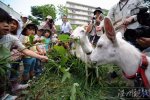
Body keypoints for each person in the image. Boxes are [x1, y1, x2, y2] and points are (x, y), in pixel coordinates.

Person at [0, 8, 48, 100]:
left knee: (4, 79)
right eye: (1, 21)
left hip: (6, 66)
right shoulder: (22, 37)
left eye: (7, 22)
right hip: (10, 62)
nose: (6, 25)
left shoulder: (11, 38)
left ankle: (4, 95)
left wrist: (40, 56)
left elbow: (25, 50)